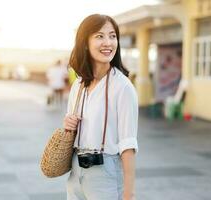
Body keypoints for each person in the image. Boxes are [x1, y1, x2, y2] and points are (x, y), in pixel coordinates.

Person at [63, 14, 138, 200]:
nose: (108, 42)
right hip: (76, 170)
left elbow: (128, 145)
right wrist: (68, 123)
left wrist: (129, 194)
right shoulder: (79, 85)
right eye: (99, 36)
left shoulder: (122, 87)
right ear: (85, 42)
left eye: (113, 36)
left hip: (106, 171)